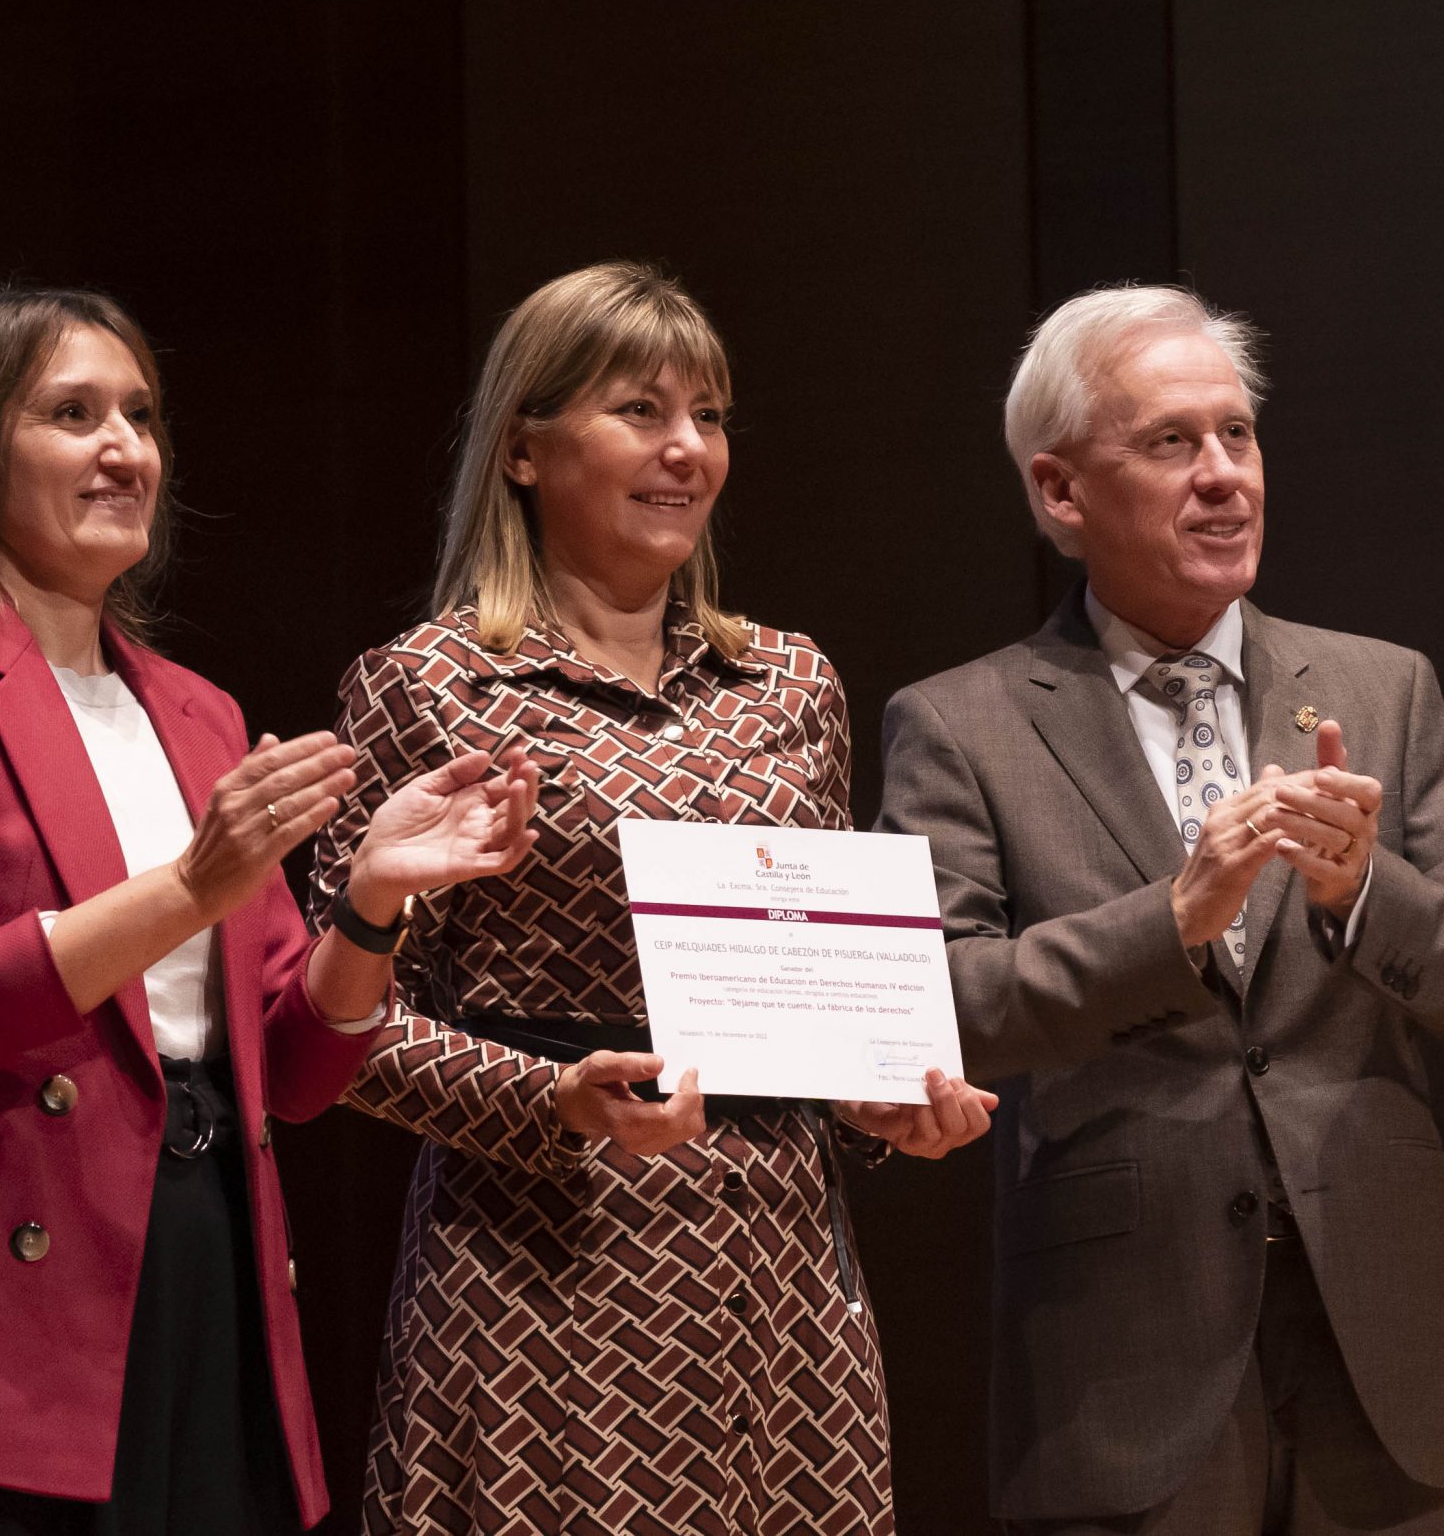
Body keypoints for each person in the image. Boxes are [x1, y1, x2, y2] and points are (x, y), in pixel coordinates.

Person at [0, 276, 540, 1535]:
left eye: (140, 413)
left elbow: (289, 1067)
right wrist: (187, 887)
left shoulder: (196, 709)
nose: (124, 448)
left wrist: (371, 909)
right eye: (72, 414)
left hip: (201, 1234)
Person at [311, 260, 993, 1536]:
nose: (687, 449)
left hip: (784, 1288)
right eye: (640, 411)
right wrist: (548, 1101)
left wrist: (886, 1099)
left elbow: (825, 1005)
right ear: (525, 449)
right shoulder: (431, 683)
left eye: (711, 416)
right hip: (546, 1281)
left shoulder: (790, 684)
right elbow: (332, 1029)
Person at [877, 283, 1444, 1534]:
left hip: (1377, 1340)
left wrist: (1362, 893)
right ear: (1060, 492)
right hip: (1124, 1348)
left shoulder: (1383, 689)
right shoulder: (960, 723)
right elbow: (937, 1005)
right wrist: (1167, 921)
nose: (1224, 475)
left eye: (1238, 435)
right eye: (1170, 442)